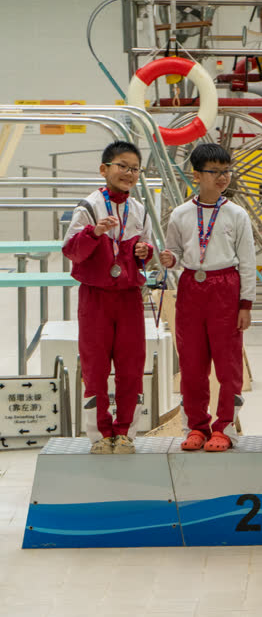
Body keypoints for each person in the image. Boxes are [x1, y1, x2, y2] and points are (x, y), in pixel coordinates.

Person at [159, 143, 256, 453]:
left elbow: (248, 261)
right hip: (191, 287)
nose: (223, 177)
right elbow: (175, 251)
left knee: (228, 365)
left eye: (227, 171)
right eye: (215, 171)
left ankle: (225, 427)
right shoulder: (180, 214)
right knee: (192, 364)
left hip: (226, 287)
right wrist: (170, 259)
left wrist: (246, 304)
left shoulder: (237, 214)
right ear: (197, 175)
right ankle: (196, 426)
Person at [62, 140, 156, 454]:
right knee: (95, 366)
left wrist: (144, 251)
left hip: (129, 298)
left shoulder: (139, 210)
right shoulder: (88, 207)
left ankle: (126, 431)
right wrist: (94, 233)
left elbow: (147, 251)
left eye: (135, 169)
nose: (129, 173)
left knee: (131, 365)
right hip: (95, 298)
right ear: (104, 169)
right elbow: (71, 251)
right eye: (122, 166)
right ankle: (100, 434)